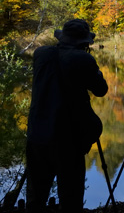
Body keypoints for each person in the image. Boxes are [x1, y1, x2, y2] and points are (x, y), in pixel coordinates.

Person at [26, 19, 108, 213]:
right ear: (84, 43)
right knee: (71, 196)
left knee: (36, 195)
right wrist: (94, 69)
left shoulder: (40, 54)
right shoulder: (83, 60)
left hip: (37, 134)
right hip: (68, 139)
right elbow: (101, 90)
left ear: (62, 37)